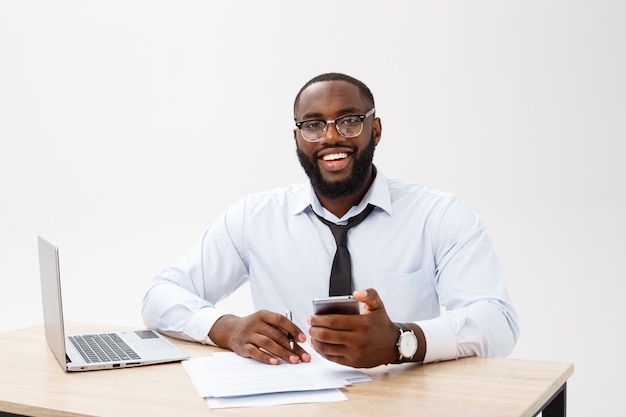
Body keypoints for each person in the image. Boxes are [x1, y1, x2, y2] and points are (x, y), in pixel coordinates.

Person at [142, 72, 519, 368]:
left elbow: (498, 323)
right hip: (290, 402)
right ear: (297, 137)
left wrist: (402, 341)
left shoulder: (439, 215)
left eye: (349, 121)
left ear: (376, 129)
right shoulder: (254, 218)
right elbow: (161, 295)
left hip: (403, 400)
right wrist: (227, 328)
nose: (331, 137)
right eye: (313, 125)